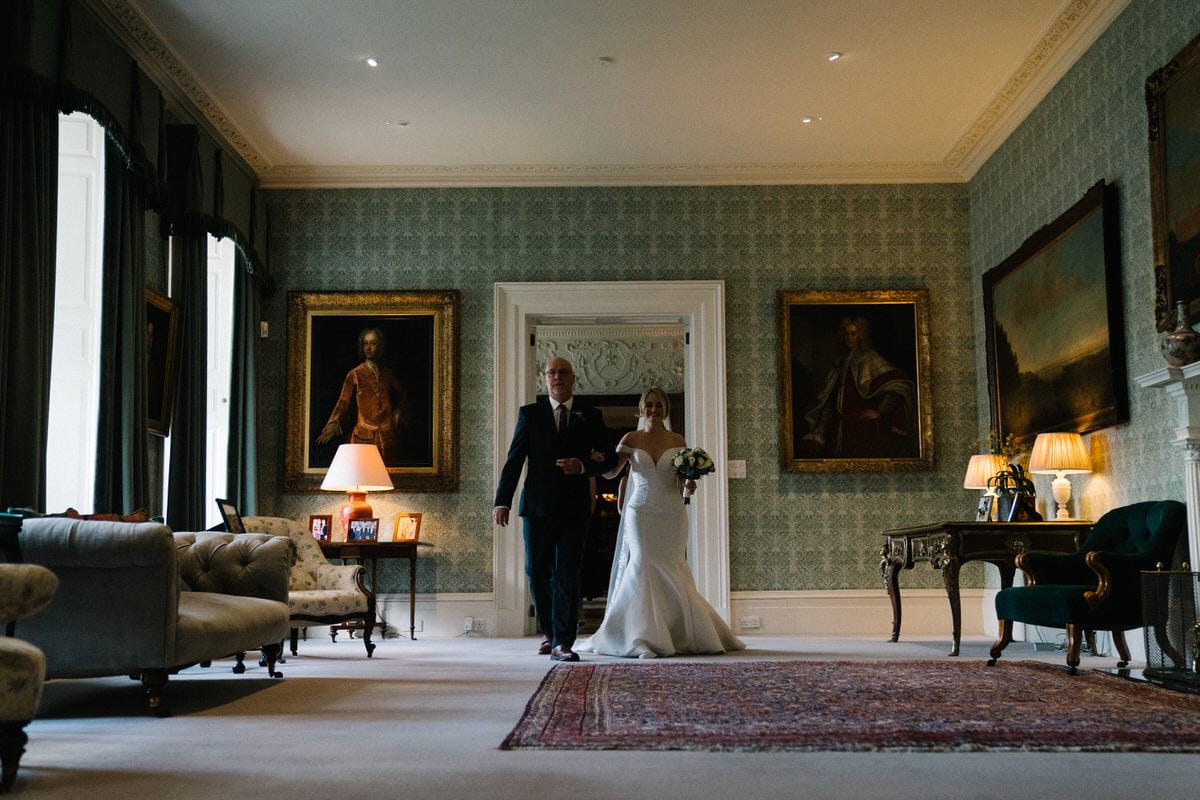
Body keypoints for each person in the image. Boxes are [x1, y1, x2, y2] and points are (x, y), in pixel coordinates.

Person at [578, 387, 744, 658]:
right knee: (642, 563)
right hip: (640, 511)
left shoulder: (677, 439)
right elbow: (612, 472)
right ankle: (641, 636)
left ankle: (679, 632)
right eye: (649, 405)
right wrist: (593, 462)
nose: (653, 410)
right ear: (641, 408)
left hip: (671, 512)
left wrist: (690, 483)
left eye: (658, 405)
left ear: (664, 409)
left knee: (673, 566)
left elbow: (682, 482)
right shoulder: (630, 438)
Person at [493, 356, 614, 662]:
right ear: (545, 379)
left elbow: (610, 460)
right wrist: (502, 501)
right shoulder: (530, 415)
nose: (557, 377)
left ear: (573, 379)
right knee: (536, 572)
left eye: (563, 372)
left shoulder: (591, 416)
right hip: (537, 507)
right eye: (552, 372)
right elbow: (514, 460)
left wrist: (583, 465)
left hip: (575, 509)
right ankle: (548, 631)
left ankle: (563, 640)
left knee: (567, 574)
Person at [800, 315, 916, 459]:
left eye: (853, 334)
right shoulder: (841, 361)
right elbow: (831, 397)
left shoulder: (871, 358)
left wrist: (880, 411)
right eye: (846, 334)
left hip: (863, 426)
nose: (849, 337)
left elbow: (898, 384)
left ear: (861, 335)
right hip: (841, 426)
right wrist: (819, 430)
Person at [316, 327, 409, 465]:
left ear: (380, 345)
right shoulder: (355, 374)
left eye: (373, 343)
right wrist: (333, 423)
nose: (368, 347)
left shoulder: (388, 374)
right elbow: (343, 402)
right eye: (365, 343)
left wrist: (398, 414)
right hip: (363, 436)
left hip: (387, 437)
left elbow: (402, 397)